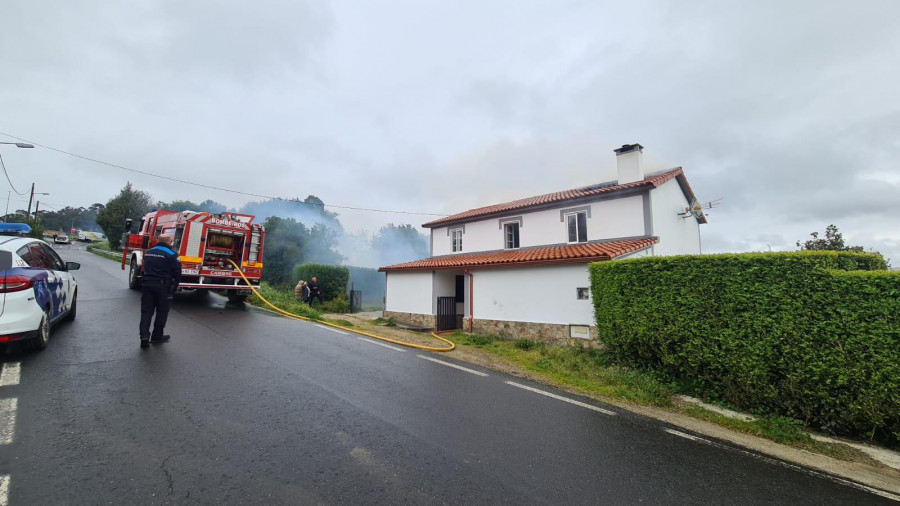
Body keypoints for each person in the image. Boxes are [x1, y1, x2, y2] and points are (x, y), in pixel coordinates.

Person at [139, 234, 181, 348]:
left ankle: (144, 337)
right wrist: (174, 287)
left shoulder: (148, 252)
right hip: (163, 286)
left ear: (157, 240)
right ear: (169, 242)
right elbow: (177, 273)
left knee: (146, 312)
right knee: (162, 311)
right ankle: (157, 336)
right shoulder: (172, 254)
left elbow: (144, 268)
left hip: (147, 285)